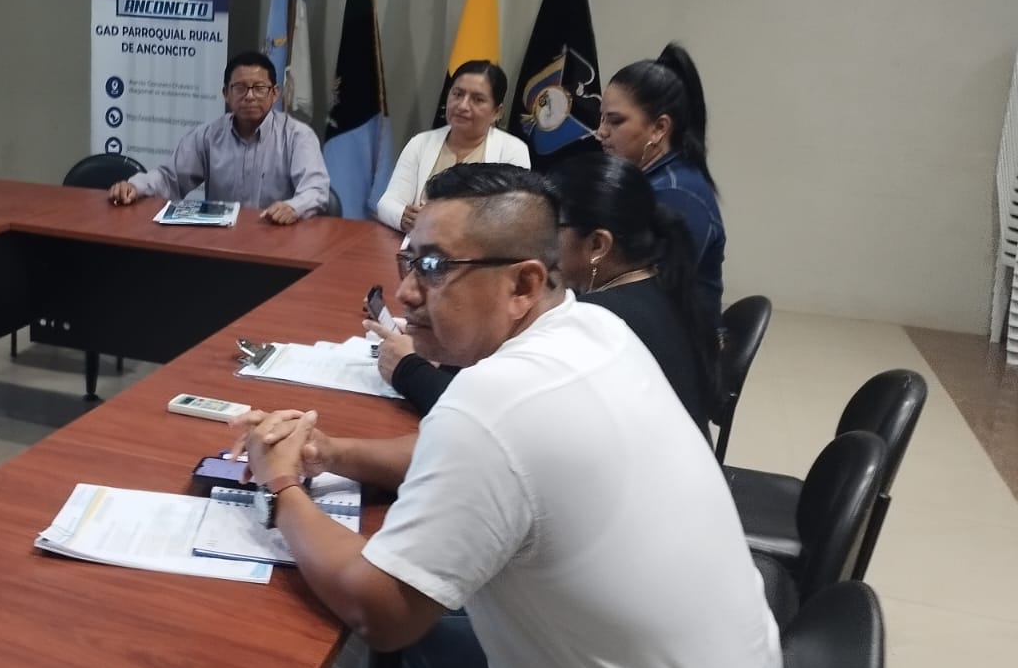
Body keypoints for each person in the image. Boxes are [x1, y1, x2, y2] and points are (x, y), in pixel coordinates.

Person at [236, 164, 783, 668]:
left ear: (522, 284)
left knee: (386, 649)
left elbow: (380, 610)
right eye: (408, 260)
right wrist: (330, 452)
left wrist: (282, 484)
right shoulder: (594, 326)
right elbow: (470, 458)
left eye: (435, 267)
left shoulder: (493, 403)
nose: (407, 292)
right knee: (417, 654)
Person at [374, 157, 718, 432]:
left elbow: (489, 421)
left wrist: (407, 368)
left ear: (597, 245)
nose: (538, 242)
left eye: (551, 228)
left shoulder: (599, 322)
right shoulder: (657, 288)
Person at [106, 51, 331, 224]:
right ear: (226, 94)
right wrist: (134, 186)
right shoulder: (208, 135)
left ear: (275, 93)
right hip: (221, 240)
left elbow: (316, 189)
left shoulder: (297, 136)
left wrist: (293, 207)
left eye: (259, 88)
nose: (249, 96)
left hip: (277, 236)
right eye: (240, 88)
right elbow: (170, 178)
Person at [597, 42, 725, 324]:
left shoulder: (677, 195)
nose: (600, 132)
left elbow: (651, 297)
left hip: (679, 338)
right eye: (602, 118)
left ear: (659, 128)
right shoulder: (649, 180)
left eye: (615, 121)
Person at [376, 60, 529, 233]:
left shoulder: (512, 151)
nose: (462, 106)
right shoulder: (421, 143)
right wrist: (402, 216)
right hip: (419, 242)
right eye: (457, 94)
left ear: (497, 112)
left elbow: (513, 217)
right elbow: (387, 203)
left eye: (477, 99)